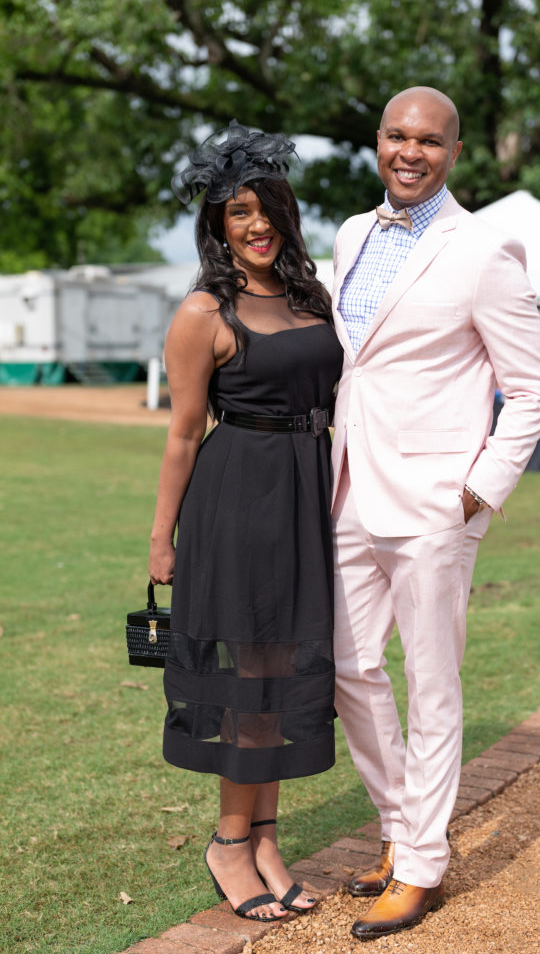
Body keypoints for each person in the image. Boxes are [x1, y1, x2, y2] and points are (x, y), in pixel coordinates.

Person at [330, 86, 540, 940]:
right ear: (378, 141)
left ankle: (420, 864)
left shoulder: (485, 249)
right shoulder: (353, 234)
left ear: (454, 151)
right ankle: (402, 828)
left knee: (431, 686)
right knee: (352, 668)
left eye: (429, 140)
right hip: (347, 487)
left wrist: (479, 488)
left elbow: (534, 388)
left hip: (434, 502)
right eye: (396, 136)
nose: (410, 152)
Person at [148, 121, 343, 922]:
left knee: (281, 667)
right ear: (218, 225)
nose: (256, 225)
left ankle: (263, 837)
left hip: (305, 492)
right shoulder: (204, 311)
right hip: (238, 500)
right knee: (247, 676)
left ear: (286, 216)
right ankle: (230, 844)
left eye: (267, 210)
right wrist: (162, 536)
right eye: (238, 213)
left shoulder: (309, 297)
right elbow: (184, 432)